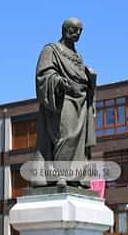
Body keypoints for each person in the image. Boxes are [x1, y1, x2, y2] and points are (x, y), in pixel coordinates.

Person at [30, 17, 96, 188]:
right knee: (65, 135)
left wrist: (90, 79)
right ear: (65, 30)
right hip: (63, 99)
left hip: (81, 101)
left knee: (79, 141)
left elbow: (81, 77)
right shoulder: (51, 50)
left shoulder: (78, 56)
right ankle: (59, 175)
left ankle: (74, 178)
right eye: (74, 30)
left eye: (80, 31)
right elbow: (44, 75)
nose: (77, 34)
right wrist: (59, 82)